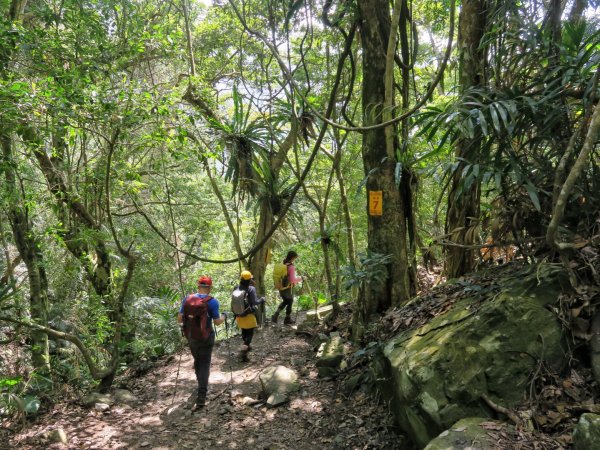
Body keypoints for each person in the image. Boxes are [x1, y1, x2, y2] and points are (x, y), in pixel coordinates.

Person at [177, 275, 225, 410]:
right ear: (209, 288)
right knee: (204, 364)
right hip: (206, 338)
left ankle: (200, 384)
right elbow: (217, 322)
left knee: (198, 361)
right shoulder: (212, 302)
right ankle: (201, 396)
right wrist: (224, 316)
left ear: (198, 286)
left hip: (191, 336)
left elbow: (179, 319)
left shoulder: (188, 299)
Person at [235, 270, 263, 361]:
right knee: (250, 334)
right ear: (249, 280)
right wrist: (262, 299)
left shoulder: (236, 287)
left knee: (244, 331)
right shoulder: (251, 289)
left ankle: (246, 345)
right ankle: (244, 351)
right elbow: (255, 302)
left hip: (238, 315)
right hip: (249, 315)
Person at [271, 250, 302, 325]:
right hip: (287, 288)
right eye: (295, 258)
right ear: (292, 258)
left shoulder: (283, 264)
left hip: (280, 286)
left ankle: (275, 315)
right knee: (290, 301)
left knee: (286, 301)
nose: (295, 259)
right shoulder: (291, 267)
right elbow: (292, 280)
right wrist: (301, 278)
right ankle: (287, 319)